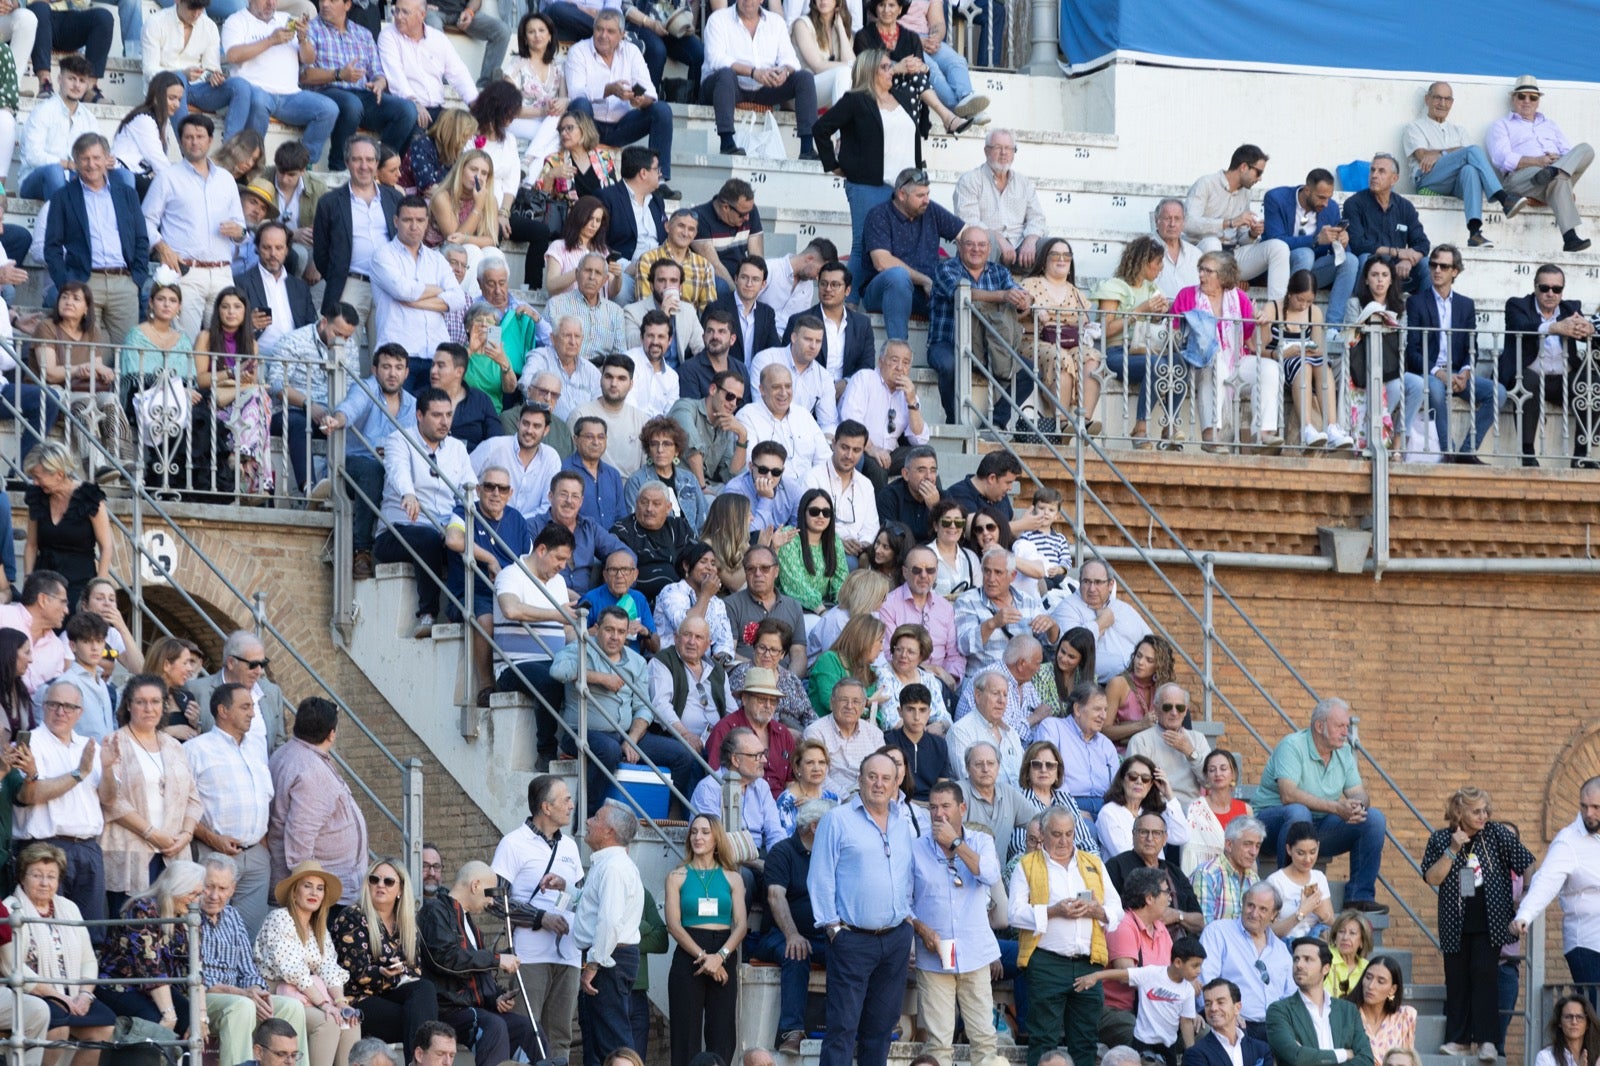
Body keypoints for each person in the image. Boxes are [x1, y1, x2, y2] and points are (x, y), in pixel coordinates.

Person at [806, 751, 914, 1066]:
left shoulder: (901, 822)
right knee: (842, 1029)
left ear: (897, 784)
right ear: (860, 780)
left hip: (894, 939)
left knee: (881, 1030)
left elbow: (906, 875)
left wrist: (906, 919)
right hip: (852, 940)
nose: (879, 784)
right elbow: (820, 877)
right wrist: (833, 927)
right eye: (872, 776)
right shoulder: (836, 820)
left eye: (886, 778)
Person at [1006, 804, 1122, 1066]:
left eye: (1069, 834)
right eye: (1056, 834)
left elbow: (1117, 909)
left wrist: (1097, 911)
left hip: (1087, 962)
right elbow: (1014, 914)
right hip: (1047, 962)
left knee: (1085, 1040)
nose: (1063, 840)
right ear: (1043, 834)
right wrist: (1053, 911)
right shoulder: (1027, 865)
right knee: (1044, 1038)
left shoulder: (1093, 863)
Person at [551, 606, 699, 812]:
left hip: (624, 735)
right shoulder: (579, 647)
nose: (615, 637)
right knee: (610, 750)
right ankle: (586, 815)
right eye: (609, 630)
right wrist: (599, 678)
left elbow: (643, 708)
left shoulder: (637, 661)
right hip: (581, 732)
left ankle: (672, 813)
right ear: (597, 629)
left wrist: (633, 739)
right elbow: (557, 671)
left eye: (621, 631)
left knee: (683, 755)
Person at [1254, 697, 1388, 913]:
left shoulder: (1344, 753)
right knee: (1299, 812)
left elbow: (1359, 793)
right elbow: (1288, 794)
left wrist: (1358, 806)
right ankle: (1289, 891)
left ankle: (1358, 897)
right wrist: (1337, 808)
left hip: (1317, 828)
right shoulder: (1292, 745)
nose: (1346, 732)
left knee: (1373, 819)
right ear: (1319, 726)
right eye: (1340, 726)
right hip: (1273, 827)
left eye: (1346, 726)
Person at [491, 775, 585, 1064]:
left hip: (568, 955)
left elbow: (581, 898)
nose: (572, 805)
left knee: (560, 1035)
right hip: (529, 957)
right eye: (566, 799)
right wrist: (541, 918)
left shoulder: (570, 846)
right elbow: (496, 901)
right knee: (526, 1031)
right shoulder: (513, 844)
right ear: (546, 807)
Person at [905, 780, 999, 1066]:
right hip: (935, 955)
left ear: (962, 808)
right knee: (938, 1043)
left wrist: (956, 843)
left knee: (983, 1037)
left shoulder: (980, 841)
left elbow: (990, 875)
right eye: (933, 807)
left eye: (945, 806)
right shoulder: (916, 848)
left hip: (974, 952)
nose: (938, 814)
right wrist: (921, 930)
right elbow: (902, 902)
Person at [99, 676, 204, 914]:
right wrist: (152, 834)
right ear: (128, 705)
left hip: (174, 851)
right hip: (132, 851)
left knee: (173, 929)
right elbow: (110, 800)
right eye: (141, 702)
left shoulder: (173, 745)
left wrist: (186, 834)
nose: (149, 708)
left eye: (155, 701)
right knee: (133, 927)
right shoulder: (115, 742)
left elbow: (193, 799)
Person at [417, 861, 538, 1066]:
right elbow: (446, 959)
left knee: (527, 1028)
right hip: (449, 1010)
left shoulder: (470, 925)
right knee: (494, 1026)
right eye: (489, 893)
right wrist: (496, 959)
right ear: (475, 886)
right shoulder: (434, 911)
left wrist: (497, 997)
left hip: (474, 1009)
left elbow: (477, 974)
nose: (491, 902)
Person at [191, 856, 309, 1065]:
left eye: (222, 888)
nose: (214, 895)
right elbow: (194, 976)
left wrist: (257, 991)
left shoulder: (233, 916)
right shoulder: (188, 917)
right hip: (200, 998)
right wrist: (242, 994)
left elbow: (248, 970)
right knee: (242, 1006)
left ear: (232, 889)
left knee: (292, 1007)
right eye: (208, 887)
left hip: (239, 997)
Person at [141, 114, 249, 340]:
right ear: (180, 141)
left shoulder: (226, 179)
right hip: (187, 272)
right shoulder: (167, 177)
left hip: (222, 272)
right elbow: (145, 221)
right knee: (185, 341)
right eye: (188, 137)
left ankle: (222, 378)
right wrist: (161, 247)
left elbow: (241, 227)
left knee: (226, 342)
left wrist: (239, 232)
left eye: (200, 136)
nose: (194, 142)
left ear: (210, 140)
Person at [6, 842, 117, 1060]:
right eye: (37, 875)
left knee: (104, 1026)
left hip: (73, 993)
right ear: (22, 876)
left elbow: (88, 959)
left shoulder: (69, 907)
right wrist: (57, 996)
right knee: (58, 1029)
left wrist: (85, 995)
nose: (45, 883)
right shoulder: (10, 908)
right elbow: (11, 966)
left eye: (51, 876)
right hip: (33, 993)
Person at [1170, 250, 1283, 451]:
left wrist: (1263, 324)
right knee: (1215, 362)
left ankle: (1263, 432)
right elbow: (1174, 336)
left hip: (1236, 360)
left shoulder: (1239, 298)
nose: (1201, 275)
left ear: (1223, 277)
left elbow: (1255, 344)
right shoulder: (1187, 295)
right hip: (1196, 362)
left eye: (1208, 271)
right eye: (1201, 269)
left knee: (1270, 368)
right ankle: (1210, 433)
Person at [185, 682, 275, 933]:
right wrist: (212, 839)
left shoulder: (255, 750)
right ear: (223, 711)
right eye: (245, 707)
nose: (253, 713)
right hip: (214, 853)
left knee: (250, 934)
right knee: (207, 928)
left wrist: (262, 846)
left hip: (256, 857)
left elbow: (265, 799)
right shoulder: (195, 750)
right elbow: (180, 807)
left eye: (253, 707)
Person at [254, 861, 363, 1066]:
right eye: (307, 886)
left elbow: (329, 968)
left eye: (320, 888)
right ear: (294, 892)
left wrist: (340, 1003)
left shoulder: (318, 929)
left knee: (350, 1022)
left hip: (306, 996)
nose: (314, 892)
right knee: (328, 1022)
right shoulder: (280, 918)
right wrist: (324, 1004)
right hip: (275, 995)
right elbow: (293, 970)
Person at [11, 679, 102, 924]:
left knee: (92, 932)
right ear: (43, 706)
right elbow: (28, 796)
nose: (61, 712)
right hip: (43, 848)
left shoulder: (90, 746)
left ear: (80, 712)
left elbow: (109, 799)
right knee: (45, 927)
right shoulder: (28, 744)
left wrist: (111, 769)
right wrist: (78, 774)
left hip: (88, 847)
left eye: (69, 706)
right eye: (54, 704)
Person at [43, 133, 147, 348]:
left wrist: (136, 279)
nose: (91, 164)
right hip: (85, 282)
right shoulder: (63, 196)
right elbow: (52, 246)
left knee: (126, 354)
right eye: (85, 158)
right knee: (89, 355)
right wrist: (66, 285)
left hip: (124, 282)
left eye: (97, 158)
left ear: (107, 158)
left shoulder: (127, 194)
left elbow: (141, 239)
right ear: (76, 162)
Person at [1405, 243, 1504, 463]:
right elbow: (1412, 351)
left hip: (1458, 374)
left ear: (1455, 271)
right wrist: (1440, 373)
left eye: (1444, 266)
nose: (1437, 270)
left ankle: (1467, 451)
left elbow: (1472, 346)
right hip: (1430, 373)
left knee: (1499, 392)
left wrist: (1465, 373)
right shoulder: (1416, 302)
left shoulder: (1465, 305)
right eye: (1433, 265)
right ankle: (1447, 452)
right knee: (1438, 390)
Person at [329, 858, 438, 1057]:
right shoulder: (352, 916)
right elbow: (358, 974)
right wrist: (389, 973)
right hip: (358, 1000)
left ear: (400, 890)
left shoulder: (406, 923)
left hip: (390, 995)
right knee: (420, 1022)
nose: (380, 885)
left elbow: (416, 971)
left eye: (388, 881)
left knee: (425, 990)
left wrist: (391, 974)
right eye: (374, 879)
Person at [563, 10, 677, 198]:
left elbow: (650, 91)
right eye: (599, 29)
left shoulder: (631, 52)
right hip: (589, 125)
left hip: (621, 125)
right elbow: (576, 93)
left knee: (661, 110)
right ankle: (586, 173)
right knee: (581, 105)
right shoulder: (579, 51)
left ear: (622, 35)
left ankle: (660, 179)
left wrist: (639, 100)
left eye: (610, 31)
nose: (603, 35)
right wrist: (608, 90)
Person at [267, 698, 369, 907]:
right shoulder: (309, 769)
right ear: (331, 734)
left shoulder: (286, 754)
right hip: (322, 897)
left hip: (323, 889)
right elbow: (300, 839)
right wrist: (307, 892)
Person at [663, 813, 746, 1066]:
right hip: (690, 952)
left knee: (722, 1032)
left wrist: (719, 957)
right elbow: (674, 925)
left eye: (705, 832)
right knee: (685, 1032)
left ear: (716, 838)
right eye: (694, 831)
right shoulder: (677, 876)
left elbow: (741, 925)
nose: (698, 837)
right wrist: (703, 957)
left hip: (724, 951)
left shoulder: (733, 877)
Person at [1401, 82, 1522, 248]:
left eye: (1447, 99)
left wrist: (1440, 153)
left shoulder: (1458, 130)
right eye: (1437, 98)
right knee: (1472, 151)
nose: (1442, 103)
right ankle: (1503, 198)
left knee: (1470, 169)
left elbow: (1467, 155)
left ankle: (1474, 233)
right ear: (1427, 99)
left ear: (1451, 103)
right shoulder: (1414, 127)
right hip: (1428, 179)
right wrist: (1450, 152)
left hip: (1455, 183)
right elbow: (1423, 156)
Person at [97, 861, 208, 1039]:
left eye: (199, 894)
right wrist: (169, 1014)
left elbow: (196, 968)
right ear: (174, 889)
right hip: (119, 985)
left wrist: (202, 1016)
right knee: (155, 1021)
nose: (196, 901)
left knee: (191, 1020)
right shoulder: (142, 909)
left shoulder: (189, 915)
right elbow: (152, 968)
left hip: (154, 987)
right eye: (192, 894)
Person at [220, 0, 339, 165]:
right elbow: (232, 55)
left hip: (291, 95)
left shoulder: (287, 19)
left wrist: (303, 39)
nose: (270, 3)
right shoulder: (236, 21)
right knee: (258, 102)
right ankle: (252, 163)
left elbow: (309, 59)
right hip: (256, 90)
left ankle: (303, 163)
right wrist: (271, 40)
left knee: (329, 109)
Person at [303, 0, 416, 171]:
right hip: (326, 90)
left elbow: (378, 72)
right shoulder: (310, 30)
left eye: (332, 1)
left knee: (407, 110)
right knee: (351, 104)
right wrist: (339, 74)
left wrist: (379, 82)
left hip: (363, 94)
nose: (325, 4)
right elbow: (304, 76)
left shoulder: (363, 34)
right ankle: (339, 168)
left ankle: (382, 167)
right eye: (322, 0)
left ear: (348, 5)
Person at [1501, 264, 1595, 469]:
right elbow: (1520, 327)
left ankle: (1582, 455)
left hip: (1562, 379)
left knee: (1592, 382)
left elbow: (1584, 330)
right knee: (1529, 379)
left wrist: (1590, 329)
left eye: (1557, 289)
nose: (1550, 293)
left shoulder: (1571, 309)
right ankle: (1527, 453)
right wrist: (1553, 327)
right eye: (1544, 288)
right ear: (1535, 287)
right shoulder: (1517, 305)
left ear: (1562, 291)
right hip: (1529, 375)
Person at [1486, 76, 1594, 252]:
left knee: (1586, 149)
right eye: (1522, 96)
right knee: (1560, 180)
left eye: (1533, 97)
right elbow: (1502, 159)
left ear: (1538, 102)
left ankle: (1553, 171)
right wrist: (1536, 161)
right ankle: (1570, 237)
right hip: (1523, 178)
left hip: (1552, 172)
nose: (1527, 101)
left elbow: (1569, 152)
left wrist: (1557, 160)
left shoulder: (1550, 125)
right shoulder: (1501, 125)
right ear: (1513, 99)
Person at [863, 168, 965, 356]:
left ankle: (954, 355)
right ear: (901, 194)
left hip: (923, 294)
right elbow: (882, 262)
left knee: (964, 277)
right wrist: (925, 280)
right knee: (898, 276)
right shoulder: (879, 215)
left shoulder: (929, 209)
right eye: (920, 195)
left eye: (927, 194)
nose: (926, 200)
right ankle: (899, 353)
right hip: (883, 292)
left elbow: (965, 234)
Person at [573, 802, 645, 1066]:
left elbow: (609, 921)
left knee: (613, 1045)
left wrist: (594, 963)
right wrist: (565, 891)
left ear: (609, 831)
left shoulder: (614, 867)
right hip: (608, 957)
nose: (588, 821)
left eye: (596, 817)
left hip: (608, 959)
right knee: (596, 1041)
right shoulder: (610, 865)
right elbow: (593, 909)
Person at [701, 0, 817, 160]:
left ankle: (807, 148)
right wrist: (753, 72)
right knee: (726, 74)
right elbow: (716, 59)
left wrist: (783, 72)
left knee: (804, 78)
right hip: (726, 87)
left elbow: (791, 61)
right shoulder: (718, 19)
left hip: (764, 87)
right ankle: (727, 142)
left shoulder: (776, 22)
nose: (748, 1)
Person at [1514, 776, 1600, 990]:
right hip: (1586, 942)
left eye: (1596, 807)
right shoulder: (1569, 840)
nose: (1589, 814)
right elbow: (1545, 880)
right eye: (1584, 806)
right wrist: (1525, 914)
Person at [1094, 237, 1179, 449]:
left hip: (1145, 349)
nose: (1160, 268)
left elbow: (1153, 321)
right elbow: (1106, 330)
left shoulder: (1152, 288)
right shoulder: (1114, 286)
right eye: (1157, 262)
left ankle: (1170, 425)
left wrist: (1159, 314)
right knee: (1156, 365)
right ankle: (1140, 428)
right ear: (1143, 262)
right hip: (1116, 352)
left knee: (1179, 362)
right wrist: (1139, 311)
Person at [1183, 144, 1290, 303]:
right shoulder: (1206, 183)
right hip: (1201, 251)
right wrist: (1228, 223)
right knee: (1213, 244)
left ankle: (1275, 312)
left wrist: (1252, 233)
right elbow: (1188, 223)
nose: (1260, 178)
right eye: (1258, 172)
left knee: (1279, 247)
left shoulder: (1246, 193)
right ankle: (1210, 306)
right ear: (1244, 167)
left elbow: (1241, 238)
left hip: (1233, 255)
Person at [1076, 935, 1205, 1065]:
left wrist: (1190, 1053)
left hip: (1168, 1044)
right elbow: (1122, 974)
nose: (1199, 971)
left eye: (1200, 966)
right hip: (1143, 1042)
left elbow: (1186, 1022)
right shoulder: (1151, 974)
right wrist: (1096, 976)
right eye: (1195, 966)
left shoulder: (1188, 990)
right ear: (1178, 962)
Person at [141, 0, 258, 142]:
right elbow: (149, 70)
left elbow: (211, 67)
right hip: (164, 88)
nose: (197, 14)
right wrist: (181, 74)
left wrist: (213, 76)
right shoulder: (155, 22)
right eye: (192, 8)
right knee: (177, 79)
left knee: (241, 86)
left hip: (198, 88)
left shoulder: (209, 26)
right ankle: (187, 147)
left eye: (201, 9)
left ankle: (230, 152)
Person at [312, 136, 401, 322]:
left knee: (387, 350)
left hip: (388, 286)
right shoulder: (329, 202)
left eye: (369, 160)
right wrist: (338, 275)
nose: (364, 166)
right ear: (346, 162)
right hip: (349, 285)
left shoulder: (395, 200)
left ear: (377, 164)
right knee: (344, 348)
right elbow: (321, 254)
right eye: (356, 159)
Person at [1261, 169, 1359, 338]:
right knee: (1305, 254)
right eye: (1321, 197)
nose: (1326, 203)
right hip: (1282, 269)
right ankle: (1288, 318)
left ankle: (1332, 329)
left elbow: (1339, 252)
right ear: (1307, 190)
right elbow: (1274, 240)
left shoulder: (1331, 208)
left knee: (1350, 260)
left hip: (1313, 271)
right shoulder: (1276, 198)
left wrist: (1342, 242)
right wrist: (1315, 240)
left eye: (1328, 197)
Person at [1198, 883, 1294, 1040]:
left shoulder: (1281, 950)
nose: (1254, 913)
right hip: (1234, 1024)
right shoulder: (1218, 932)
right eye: (1250, 905)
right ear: (1242, 904)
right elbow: (1206, 981)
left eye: (1263, 909)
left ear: (1274, 915)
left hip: (1274, 1028)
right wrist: (1228, 1014)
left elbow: (1290, 994)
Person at [22, 444, 108, 612]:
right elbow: (31, 545)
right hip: (44, 585)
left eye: (38, 477)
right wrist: (27, 580)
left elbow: (106, 547)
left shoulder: (89, 497)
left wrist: (99, 589)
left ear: (59, 474)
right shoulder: (37, 497)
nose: (35, 482)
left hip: (80, 584)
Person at [1266, 937, 1375, 1066]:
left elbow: (1366, 1060)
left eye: (1308, 959)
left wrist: (1310, 1057)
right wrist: (1344, 1054)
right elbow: (1297, 1057)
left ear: (1325, 969)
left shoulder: (1348, 1011)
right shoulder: (1279, 1011)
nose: (1299, 965)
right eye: (1296, 959)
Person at [378, 0, 479, 130]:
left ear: (422, 15)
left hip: (437, 110)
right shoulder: (388, 36)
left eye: (405, 12)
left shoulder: (438, 38)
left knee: (464, 133)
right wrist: (414, 103)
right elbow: (396, 77)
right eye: (396, 10)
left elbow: (459, 74)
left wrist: (475, 103)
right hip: (408, 111)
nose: (398, 16)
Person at [17, 57, 104, 204]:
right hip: (36, 180)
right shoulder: (43, 111)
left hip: (75, 178)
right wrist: (66, 164)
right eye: (72, 79)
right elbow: (33, 156)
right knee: (55, 171)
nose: (77, 85)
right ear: (59, 79)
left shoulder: (89, 119)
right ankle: (63, 223)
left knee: (121, 176)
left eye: (82, 81)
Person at [956, 548, 1056, 676]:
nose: (991, 579)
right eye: (987, 571)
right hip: (985, 681)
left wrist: (1052, 626)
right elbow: (963, 646)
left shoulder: (1027, 601)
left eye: (998, 573)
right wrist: (992, 623)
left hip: (1023, 682)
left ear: (1012, 576)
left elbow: (1050, 644)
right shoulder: (968, 600)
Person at [1103, 811, 1203, 936]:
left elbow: (1200, 922)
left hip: (1179, 948)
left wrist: (1178, 916)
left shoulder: (1174, 872)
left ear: (1165, 839)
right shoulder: (1116, 866)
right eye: (1144, 832)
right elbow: (1111, 913)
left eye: (1156, 833)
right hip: (1135, 941)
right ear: (1133, 835)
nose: (1149, 838)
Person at [1343, 153, 1430, 295]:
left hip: (1399, 269)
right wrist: (1396, 252)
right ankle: (1365, 309)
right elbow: (1357, 244)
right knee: (1365, 258)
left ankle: (1426, 314)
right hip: (1371, 268)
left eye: (1381, 171)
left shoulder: (1405, 206)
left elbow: (1422, 243)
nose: (1374, 175)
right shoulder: (1354, 203)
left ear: (1394, 179)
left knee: (1425, 264)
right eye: (1372, 170)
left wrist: (1409, 261)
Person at [1126, 683, 1210, 807]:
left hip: (1190, 809)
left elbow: (1208, 782)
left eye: (1180, 707)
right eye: (1167, 707)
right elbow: (1134, 785)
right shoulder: (1141, 740)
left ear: (1186, 710)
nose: (1174, 713)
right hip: (1156, 807)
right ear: (1156, 708)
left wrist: (1190, 752)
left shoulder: (1198, 739)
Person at [724, 545, 809, 667]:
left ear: (776, 571)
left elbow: (798, 653)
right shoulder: (730, 605)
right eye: (751, 568)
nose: (758, 573)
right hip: (746, 679)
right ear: (745, 572)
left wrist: (787, 680)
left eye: (765, 568)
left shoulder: (794, 606)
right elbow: (728, 651)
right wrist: (761, 672)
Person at [1183, 749, 1252, 876]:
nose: (1218, 773)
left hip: (1239, 876)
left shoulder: (1245, 810)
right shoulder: (1196, 809)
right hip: (1205, 878)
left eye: (1223, 768)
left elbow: (1250, 851)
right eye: (1212, 769)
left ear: (1233, 774)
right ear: (1206, 777)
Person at [1192, 815, 1265, 923]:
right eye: (1247, 844)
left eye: (1257, 846)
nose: (1253, 852)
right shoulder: (1207, 874)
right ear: (1229, 845)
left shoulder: (1254, 879)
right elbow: (1204, 927)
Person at [1185, 979, 1273, 1066]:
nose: (1213, 1008)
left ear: (1237, 1007)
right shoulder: (1195, 1054)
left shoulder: (1261, 1049)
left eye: (1220, 1002)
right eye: (1208, 1004)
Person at [1345, 956, 1414, 1061]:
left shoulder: (1404, 1016)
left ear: (1392, 989)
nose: (1371, 986)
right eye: (1368, 977)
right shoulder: (1346, 1013)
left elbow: (1408, 1060)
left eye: (1380, 981)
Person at [1154, 198, 1201, 297]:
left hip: (1190, 311)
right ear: (1156, 221)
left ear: (1183, 222)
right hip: (1156, 311)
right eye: (1167, 218)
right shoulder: (1143, 252)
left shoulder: (1196, 254)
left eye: (1177, 218)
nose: (1172, 224)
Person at [1535, 995, 1600, 1066]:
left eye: (1579, 1017)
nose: (1574, 1022)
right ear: (1559, 1022)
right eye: (1568, 1017)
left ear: (1587, 1023)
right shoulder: (1546, 1057)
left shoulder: (1597, 1056)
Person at [1326, 910, 1372, 999]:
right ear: (1335, 937)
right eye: (1341, 931)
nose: (1345, 937)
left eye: (1352, 933)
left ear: (1362, 941)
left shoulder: (1366, 967)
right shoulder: (1324, 958)